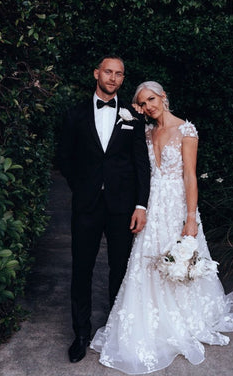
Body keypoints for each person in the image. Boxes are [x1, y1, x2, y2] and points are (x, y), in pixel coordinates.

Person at [90, 81, 233, 374]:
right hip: (151, 205)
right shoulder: (145, 131)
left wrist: (190, 217)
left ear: (163, 97)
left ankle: (184, 316)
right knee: (147, 263)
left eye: (151, 99)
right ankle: (151, 316)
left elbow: (190, 176)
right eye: (142, 103)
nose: (148, 106)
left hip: (176, 206)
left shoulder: (187, 131)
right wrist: (133, 116)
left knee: (180, 260)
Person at [57, 56, 150, 363]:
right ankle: (81, 334)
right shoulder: (74, 115)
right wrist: (83, 186)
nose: (113, 78)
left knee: (120, 270)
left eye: (119, 74)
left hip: (123, 208)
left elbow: (141, 165)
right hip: (86, 206)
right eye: (108, 72)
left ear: (123, 80)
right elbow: (64, 159)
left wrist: (140, 205)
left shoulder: (134, 118)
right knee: (82, 269)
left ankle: (116, 331)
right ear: (96, 73)